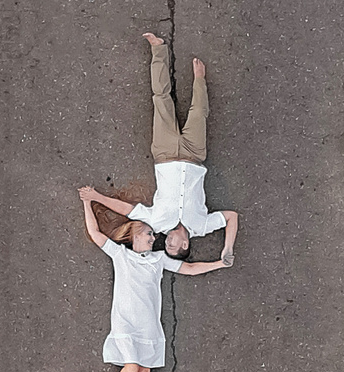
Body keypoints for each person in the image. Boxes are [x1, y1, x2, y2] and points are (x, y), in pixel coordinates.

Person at [77, 188, 229, 372]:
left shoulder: (159, 259)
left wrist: (219, 263)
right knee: (133, 365)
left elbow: (190, 269)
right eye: (149, 233)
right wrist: (89, 202)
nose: (154, 237)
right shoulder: (120, 255)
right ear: (135, 236)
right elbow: (95, 233)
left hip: (149, 325)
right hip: (126, 321)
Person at [79, 32, 240, 263]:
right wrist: (227, 249)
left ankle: (158, 50)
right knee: (199, 113)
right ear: (185, 244)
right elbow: (232, 217)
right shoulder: (203, 225)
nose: (166, 241)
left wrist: (96, 196)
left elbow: (128, 210)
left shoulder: (158, 223)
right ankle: (199, 79)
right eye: (172, 246)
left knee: (161, 99)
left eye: (167, 245)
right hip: (194, 156)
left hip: (164, 156)